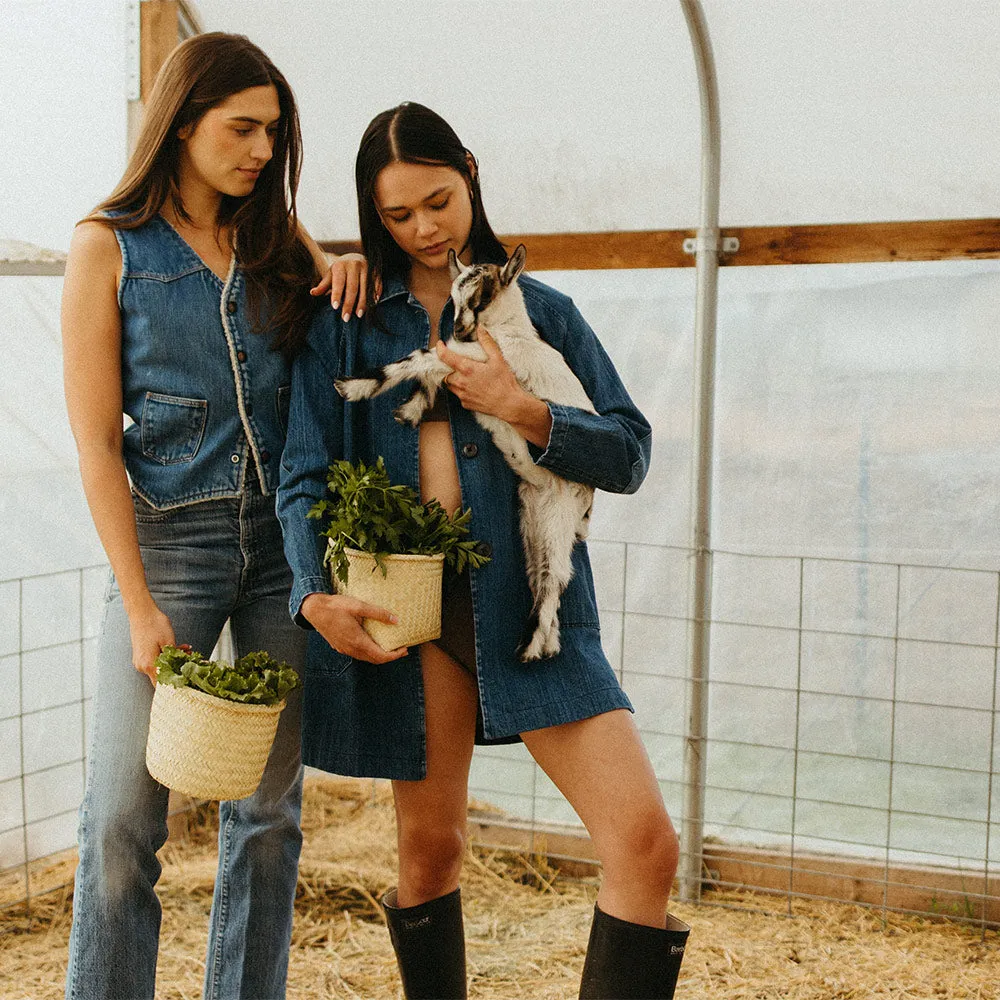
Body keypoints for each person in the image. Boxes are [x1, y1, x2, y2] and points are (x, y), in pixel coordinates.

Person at [276, 101, 689, 999]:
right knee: (431, 854)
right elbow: (302, 476)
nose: (425, 229)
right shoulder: (345, 322)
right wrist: (314, 593)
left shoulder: (543, 313)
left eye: (440, 200)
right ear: (370, 214)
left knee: (646, 845)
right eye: (397, 215)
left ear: (469, 173)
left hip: (533, 615)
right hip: (410, 615)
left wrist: (522, 406)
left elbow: (630, 450)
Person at [61, 32, 366, 1000]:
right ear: (181, 122)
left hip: (285, 549)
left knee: (269, 818)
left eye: (274, 133)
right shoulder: (106, 244)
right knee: (122, 820)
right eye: (242, 128)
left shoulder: (275, 243)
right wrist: (140, 602)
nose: (262, 150)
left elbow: (336, 306)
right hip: (169, 547)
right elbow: (97, 444)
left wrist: (344, 265)